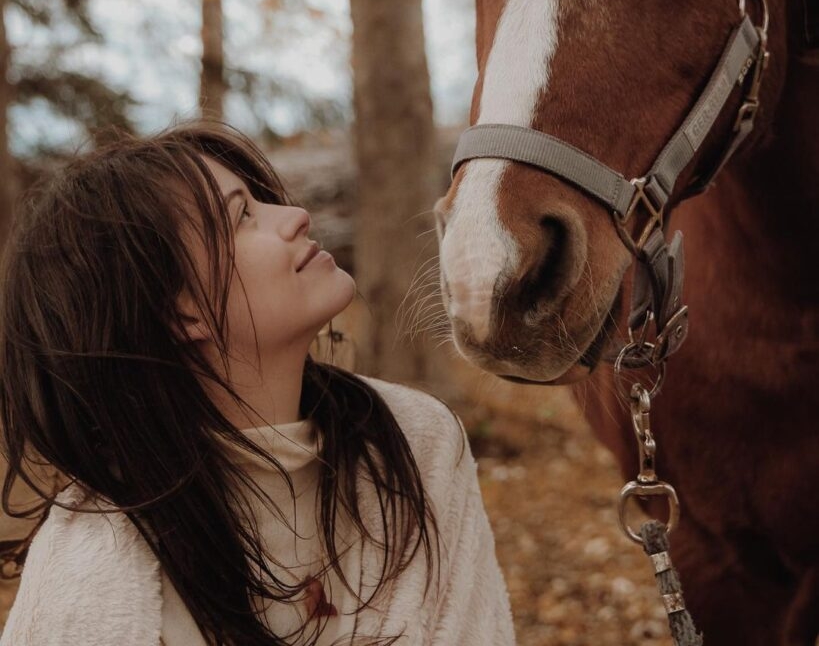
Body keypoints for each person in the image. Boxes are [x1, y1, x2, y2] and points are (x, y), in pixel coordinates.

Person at [0, 119, 515, 646]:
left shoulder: (418, 442)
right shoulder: (88, 573)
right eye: (242, 215)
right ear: (176, 313)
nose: (297, 216)